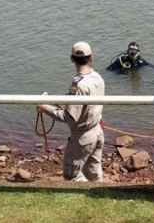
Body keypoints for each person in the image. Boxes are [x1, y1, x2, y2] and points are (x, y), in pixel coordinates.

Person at [36, 41, 105, 182]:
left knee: (71, 175)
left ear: (72, 59)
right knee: (94, 174)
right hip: (97, 131)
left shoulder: (78, 84)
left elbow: (69, 117)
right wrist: (55, 100)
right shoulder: (98, 78)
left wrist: (45, 108)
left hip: (82, 137)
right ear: (91, 58)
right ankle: (100, 198)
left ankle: (86, 198)